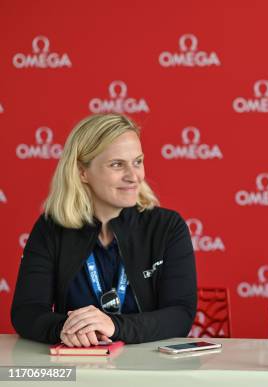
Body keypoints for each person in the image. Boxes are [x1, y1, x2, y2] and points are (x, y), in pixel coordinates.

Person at [11, 113, 197, 346]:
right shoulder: (51, 228)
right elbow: (26, 312)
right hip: (75, 372)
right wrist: (67, 329)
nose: (134, 176)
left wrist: (114, 325)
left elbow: (180, 315)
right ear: (82, 172)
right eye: (117, 164)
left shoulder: (168, 227)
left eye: (138, 162)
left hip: (149, 372)